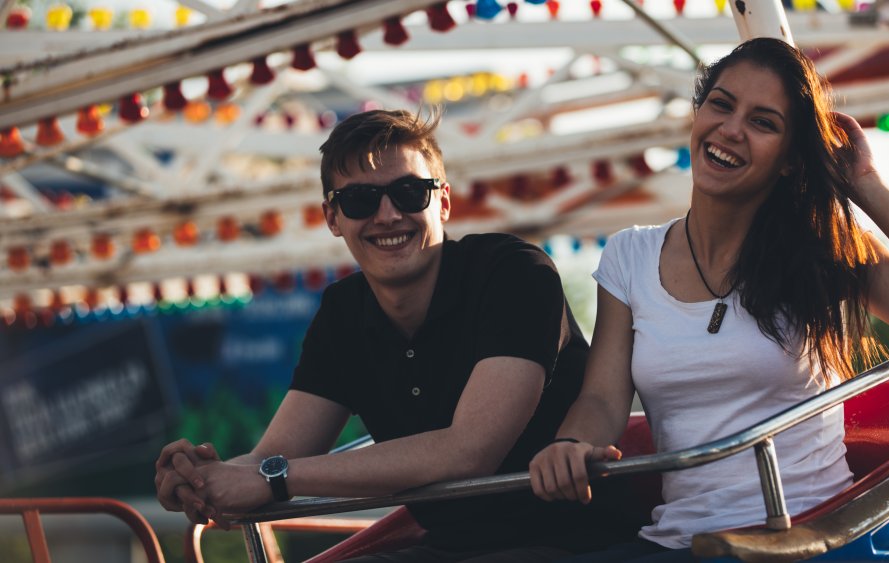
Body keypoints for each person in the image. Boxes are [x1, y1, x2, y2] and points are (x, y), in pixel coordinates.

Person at [528, 37, 889, 562]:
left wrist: (865, 184)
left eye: (763, 122)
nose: (731, 130)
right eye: (721, 105)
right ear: (698, 113)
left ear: (791, 162)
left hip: (809, 535)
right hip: (685, 540)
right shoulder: (628, 256)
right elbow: (602, 399)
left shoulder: (823, 249)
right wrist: (570, 445)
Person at [154, 109, 632, 562]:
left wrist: (274, 479)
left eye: (408, 192)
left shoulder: (513, 274)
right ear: (333, 218)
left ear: (442, 202)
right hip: (448, 546)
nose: (386, 215)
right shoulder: (343, 312)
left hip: (573, 542)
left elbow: (469, 451)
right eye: (360, 200)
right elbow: (272, 458)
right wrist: (202, 478)